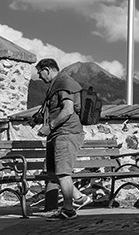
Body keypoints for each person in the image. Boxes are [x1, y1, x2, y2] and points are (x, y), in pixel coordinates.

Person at [34, 59, 88, 219]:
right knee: (53, 173)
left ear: (47, 69)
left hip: (66, 133)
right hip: (57, 134)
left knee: (63, 172)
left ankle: (68, 209)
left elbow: (68, 110)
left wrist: (49, 126)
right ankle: (79, 198)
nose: (39, 76)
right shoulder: (57, 84)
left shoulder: (64, 83)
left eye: (40, 72)